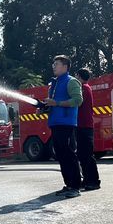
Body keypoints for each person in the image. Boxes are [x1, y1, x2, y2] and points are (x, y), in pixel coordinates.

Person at [40, 55, 83, 198]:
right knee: (61, 155)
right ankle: (68, 184)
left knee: (69, 154)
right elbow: (53, 103)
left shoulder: (72, 82)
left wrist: (56, 103)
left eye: (56, 64)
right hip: (55, 123)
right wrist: (44, 107)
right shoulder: (54, 84)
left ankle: (76, 186)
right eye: (53, 63)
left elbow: (78, 100)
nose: (53, 66)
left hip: (67, 123)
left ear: (65, 66)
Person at [75, 68, 101, 190]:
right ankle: (87, 180)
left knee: (87, 155)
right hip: (82, 125)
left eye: (76, 76)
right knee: (82, 154)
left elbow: (76, 103)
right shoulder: (86, 87)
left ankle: (94, 181)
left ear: (79, 76)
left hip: (84, 126)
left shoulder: (84, 88)